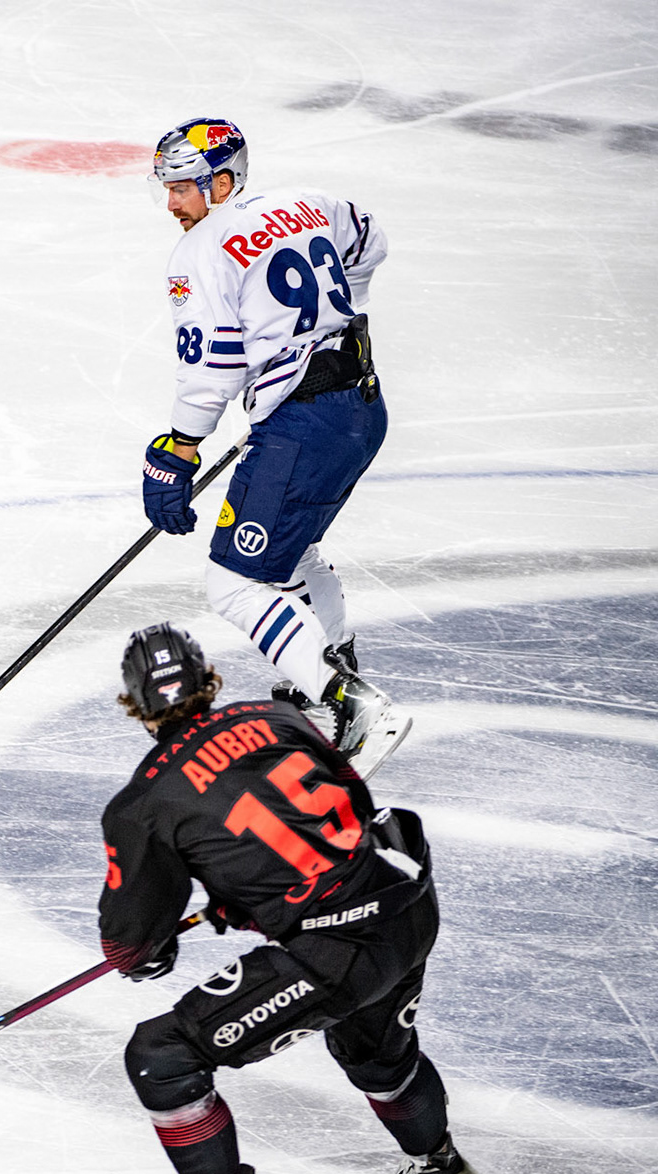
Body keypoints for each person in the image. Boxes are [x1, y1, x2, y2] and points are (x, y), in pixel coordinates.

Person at [101, 623, 504, 1174]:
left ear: (138, 710)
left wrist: (155, 946)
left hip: (336, 949)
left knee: (162, 1057)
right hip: (406, 907)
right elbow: (349, 805)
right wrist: (253, 894)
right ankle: (442, 1170)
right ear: (210, 683)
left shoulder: (141, 804)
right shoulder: (277, 717)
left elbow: (129, 947)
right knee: (376, 1055)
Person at [139, 117, 410, 780]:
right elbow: (369, 241)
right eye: (167, 189)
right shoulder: (307, 202)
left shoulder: (200, 251)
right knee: (293, 552)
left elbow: (214, 365)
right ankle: (327, 680)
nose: (173, 203)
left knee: (234, 582)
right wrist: (332, 329)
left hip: (307, 425)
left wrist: (177, 447)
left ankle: (355, 706)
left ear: (223, 181)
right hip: (361, 407)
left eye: (183, 187)